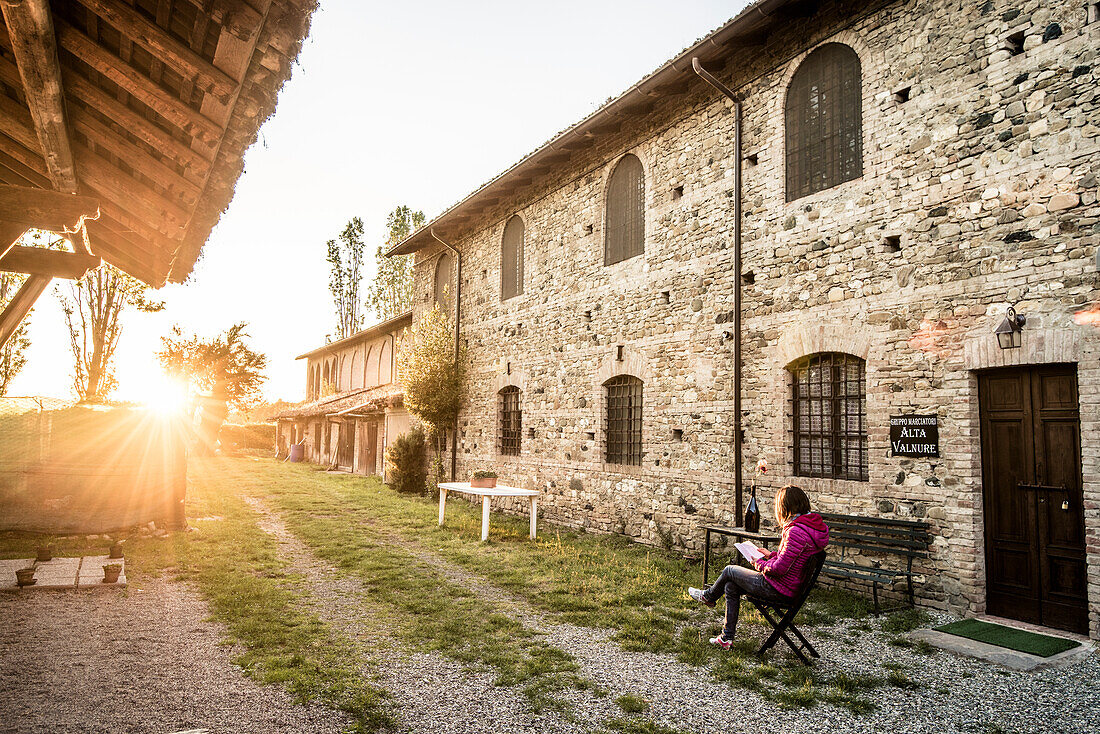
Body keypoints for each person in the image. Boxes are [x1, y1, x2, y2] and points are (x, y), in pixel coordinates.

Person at [688, 484, 829, 650]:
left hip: (779, 588)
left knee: (729, 570)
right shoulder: (810, 526)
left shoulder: (796, 531)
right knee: (730, 585)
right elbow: (794, 559)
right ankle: (726, 638)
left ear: (785, 506)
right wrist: (771, 555)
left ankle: (709, 597)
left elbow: (779, 570)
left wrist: (757, 562)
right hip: (787, 586)